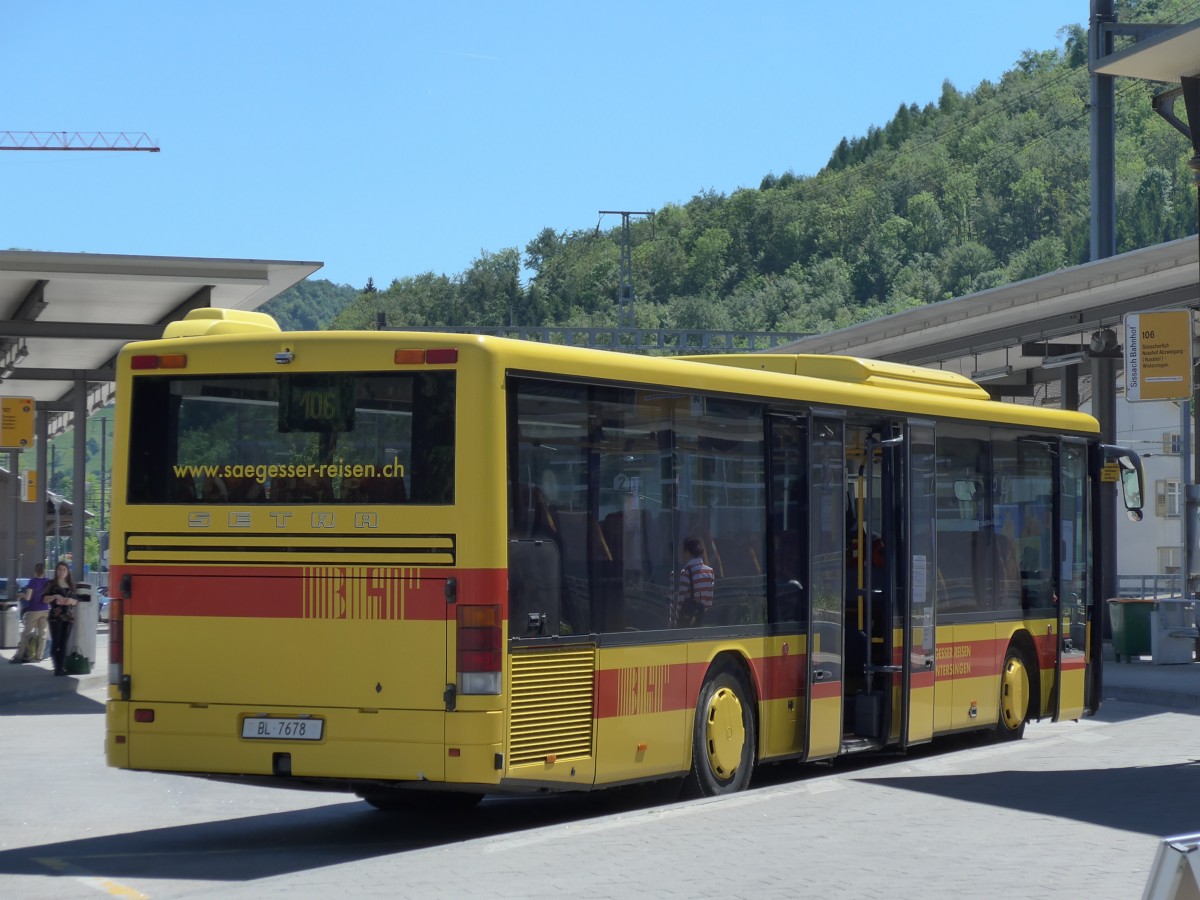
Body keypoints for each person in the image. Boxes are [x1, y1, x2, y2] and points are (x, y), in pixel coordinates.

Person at [8, 563, 49, 664]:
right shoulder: (47, 582)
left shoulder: (32, 581)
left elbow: (28, 598)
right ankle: (39, 657)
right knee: (42, 634)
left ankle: (19, 656)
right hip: (45, 610)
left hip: (34, 610)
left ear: (35, 571)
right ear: (44, 571)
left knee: (26, 633)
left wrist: (21, 594)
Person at [42, 562, 77, 676]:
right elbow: (44, 599)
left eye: (64, 570)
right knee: (56, 642)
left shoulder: (70, 585)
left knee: (63, 643)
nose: (61, 572)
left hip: (68, 617)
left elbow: (76, 600)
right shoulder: (51, 584)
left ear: (67, 572)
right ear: (56, 571)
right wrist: (55, 596)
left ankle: (60, 667)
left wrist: (70, 601)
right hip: (55, 617)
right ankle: (56, 667)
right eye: (59, 569)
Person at [674, 537, 715, 627]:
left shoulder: (686, 572)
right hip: (700, 618)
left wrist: (676, 619)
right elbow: (709, 601)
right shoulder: (710, 571)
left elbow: (681, 599)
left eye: (683, 552)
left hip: (686, 618)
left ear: (687, 553)